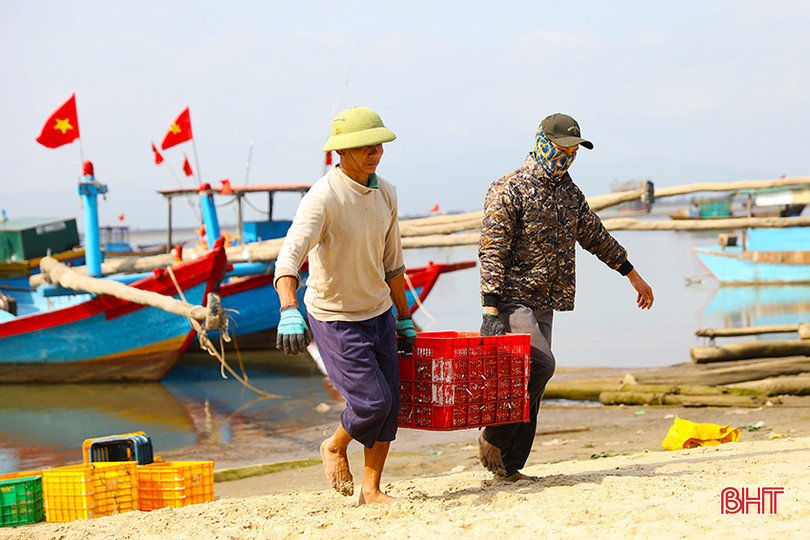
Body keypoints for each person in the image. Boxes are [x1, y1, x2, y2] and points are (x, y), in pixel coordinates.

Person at [477, 112, 654, 481]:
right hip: (512, 299)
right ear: (543, 142)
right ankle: (492, 436)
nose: (569, 157)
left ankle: (509, 467)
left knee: (532, 384)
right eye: (563, 149)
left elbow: (595, 236)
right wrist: (490, 309)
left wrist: (632, 275)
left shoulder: (569, 193)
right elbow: (492, 250)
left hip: (547, 301)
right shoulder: (509, 188)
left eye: (574, 151)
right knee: (540, 365)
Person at [273, 106, 417, 505]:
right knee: (372, 401)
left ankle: (371, 490)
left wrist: (404, 318)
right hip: (335, 318)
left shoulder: (386, 193)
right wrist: (289, 310)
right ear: (342, 150)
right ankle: (334, 446)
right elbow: (289, 258)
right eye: (363, 146)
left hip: (379, 313)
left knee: (390, 408)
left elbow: (393, 264)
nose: (374, 151)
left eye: (378, 144)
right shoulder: (324, 197)